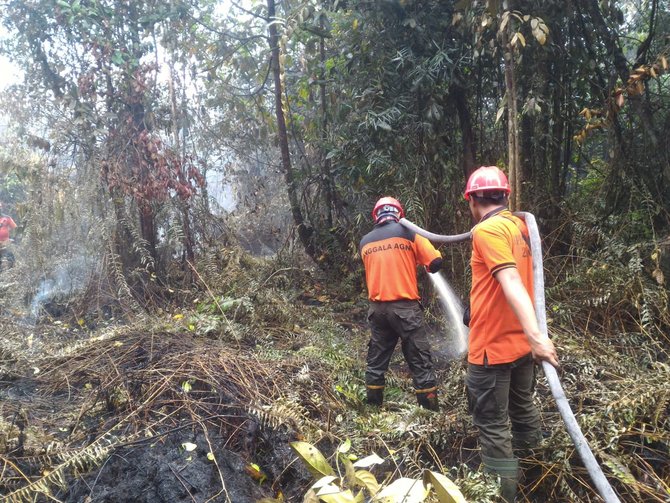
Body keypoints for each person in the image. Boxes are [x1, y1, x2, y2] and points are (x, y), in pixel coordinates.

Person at [463, 166, 559, 502]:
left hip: (493, 349)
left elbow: (511, 282)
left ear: (473, 199)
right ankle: (538, 480)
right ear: (506, 195)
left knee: (492, 423)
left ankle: (503, 495)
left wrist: (536, 337)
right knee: (523, 410)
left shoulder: (486, 231)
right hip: (519, 348)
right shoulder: (519, 227)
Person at [360, 197, 443, 410]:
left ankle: (372, 410)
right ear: (399, 214)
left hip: (377, 310)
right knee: (420, 359)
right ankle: (429, 413)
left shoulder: (365, 241)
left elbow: (385, 263)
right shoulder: (409, 233)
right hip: (405, 310)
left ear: (376, 215)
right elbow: (435, 263)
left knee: (376, 361)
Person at [0, 202, 17, 270]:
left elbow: (15, 229)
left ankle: (12, 270)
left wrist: (13, 238)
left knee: (10, 256)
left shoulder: (7, 218)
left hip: (6, 241)